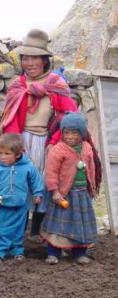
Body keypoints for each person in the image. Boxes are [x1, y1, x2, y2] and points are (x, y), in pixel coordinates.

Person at [0, 29, 78, 237]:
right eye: (25, 58)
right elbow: (11, 118)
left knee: (45, 184)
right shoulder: (18, 86)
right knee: (19, 183)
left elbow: (68, 117)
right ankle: (18, 229)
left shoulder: (56, 85)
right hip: (21, 141)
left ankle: (40, 230)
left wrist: (54, 142)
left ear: (44, 60)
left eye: (34, 58)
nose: (29, 63)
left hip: (47, 143)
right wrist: (16, 146)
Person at [41, 112, 100, 265]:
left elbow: (91, 168)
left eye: (74, 132)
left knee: (80, 224)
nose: (70, 136)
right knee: (59, 225)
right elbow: (51, 171)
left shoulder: (87, 148)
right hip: (63, 194)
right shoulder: (58, 150)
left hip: (81, 194)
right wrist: (54, 190)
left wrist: (91, 187)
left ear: (82, 133)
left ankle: (79, 253)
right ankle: (53, 252)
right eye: (66, 132)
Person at [0, 133, 44, 265]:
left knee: (19, 229)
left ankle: (17, 251)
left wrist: (37, 193)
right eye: (0, 153)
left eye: (7, 153)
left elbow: (36, 180)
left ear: (18, 154)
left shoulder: (28, 167)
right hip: (1, 202)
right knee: (1, 228)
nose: (3, 157)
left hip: (21, 203)